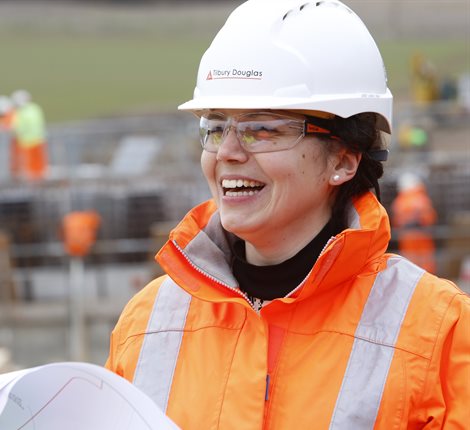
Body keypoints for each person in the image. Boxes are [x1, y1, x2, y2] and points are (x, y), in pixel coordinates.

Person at [106, 1, 470, 428]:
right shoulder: (145, 322)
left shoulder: (438, 331)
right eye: (216, 127)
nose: (227, 153)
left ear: (344, 160)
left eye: (262, 129)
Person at [391, 172, 438, 273]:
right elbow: (430, 218)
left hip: (408, 237)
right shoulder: (423, 199)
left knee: (410, 261)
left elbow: (396, 221)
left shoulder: (400, 201)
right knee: (425, 260)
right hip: (422, 235)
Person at [10, 89, 48, 181]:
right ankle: (37, 182)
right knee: (37, 167)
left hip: (25, 143)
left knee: (29, 168)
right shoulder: (35, 108)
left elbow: (17, 127)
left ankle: (32, 184)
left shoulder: (21, 112)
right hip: (38, 140)